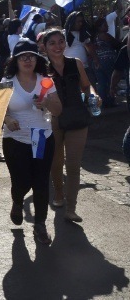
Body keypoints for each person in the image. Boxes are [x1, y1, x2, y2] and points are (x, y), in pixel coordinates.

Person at [2, 40, 62, 244]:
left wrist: (47, 102)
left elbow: (58, 110)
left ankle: (40, 226)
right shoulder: (7, 82)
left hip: (40, 136)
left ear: (37, 59)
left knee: (40, 182)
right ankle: (17, 201)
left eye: (31, 56)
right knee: (22, 181)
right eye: (22, 57)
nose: (27, 60)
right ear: (15, 60)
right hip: (16, 140)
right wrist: (8, 119)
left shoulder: (45, 81)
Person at [43, 28, 101, 222]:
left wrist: (93, 94)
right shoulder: (41, 69)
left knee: (74, 164)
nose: (58, 46)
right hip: (53, 120)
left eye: (61, 41)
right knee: (55, 162)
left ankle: (71, 208)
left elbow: (86, 85)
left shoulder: (75, 64)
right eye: (52, 43)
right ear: (45, 47)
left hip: (77, 117)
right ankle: (58, 193)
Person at [64, 11, 98, 87]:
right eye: (78, 21)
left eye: (81, 21)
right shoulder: (63, 34)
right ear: (72, 22)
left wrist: (96, 60)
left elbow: (90, 48)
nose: (80, 23)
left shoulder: (83, 34)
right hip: (70, 70)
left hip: (85, 68)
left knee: (90, 87)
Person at [93, 18, 121, 108]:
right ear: (99, 27)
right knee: (111, 81)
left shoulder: (95, 37)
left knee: (102, 83)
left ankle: (103, 103)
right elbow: (117, 44)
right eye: (104, 25)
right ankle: (111, 101)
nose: (107, 26)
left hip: (98, 61)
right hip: (108, 61)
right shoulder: (105, 35)